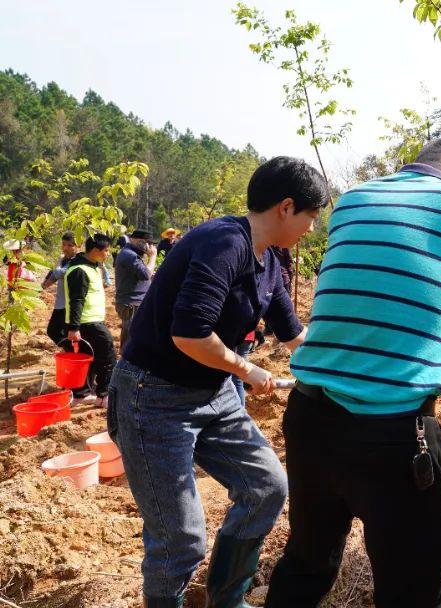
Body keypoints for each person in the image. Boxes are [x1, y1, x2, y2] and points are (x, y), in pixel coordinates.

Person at [265, 137, 441, 607]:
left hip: (309, 420)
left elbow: (379, 288)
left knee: (308, 562)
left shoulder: (353, 199)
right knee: (413, 589)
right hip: (393, 435)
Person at [108, 156, 329, 607]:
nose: (311, 227)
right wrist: (248, 371)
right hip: (154, 397)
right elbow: (189, 333)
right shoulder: (223, 243)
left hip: (213, 393)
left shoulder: (269, 261)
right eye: (311, 215)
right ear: (286, 207)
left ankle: (226, 599)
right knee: (181, 539)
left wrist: (347, 366)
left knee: (266, 487)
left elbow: (294, 335)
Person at [62, 233, 116, 406]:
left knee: (87, 358)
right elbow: (76, 300)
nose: (108, 254)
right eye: (106, 250)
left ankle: (81, 394)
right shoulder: (79, 270)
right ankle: (104, 395)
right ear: (95, 250)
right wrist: (74, 327)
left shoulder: (91, 266)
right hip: (87, 322)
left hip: (89, 321)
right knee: (107, 356)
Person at [113, 229, 156, 349]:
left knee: (135, 337)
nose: (150, 247)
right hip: (131, 304)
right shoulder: (129, 255)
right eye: (148, 243)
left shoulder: (132, 254)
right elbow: (145, 274)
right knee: (130, 339)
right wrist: (152, 257)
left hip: (134, 302)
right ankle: (125, 366)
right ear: (137, 241)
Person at [42, 232, 79, 345]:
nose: (65, 248)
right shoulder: (63, 260)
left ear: (78, 246)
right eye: (63, 245)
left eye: (70, 245)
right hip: (61, 303)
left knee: (66, 333)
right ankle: (69, 351)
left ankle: (71, 355)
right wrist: (42, 286)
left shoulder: (78, 260)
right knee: (53, 331)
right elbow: (54, 275)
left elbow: (60, 272)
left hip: (71, 304)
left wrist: (57, 264)